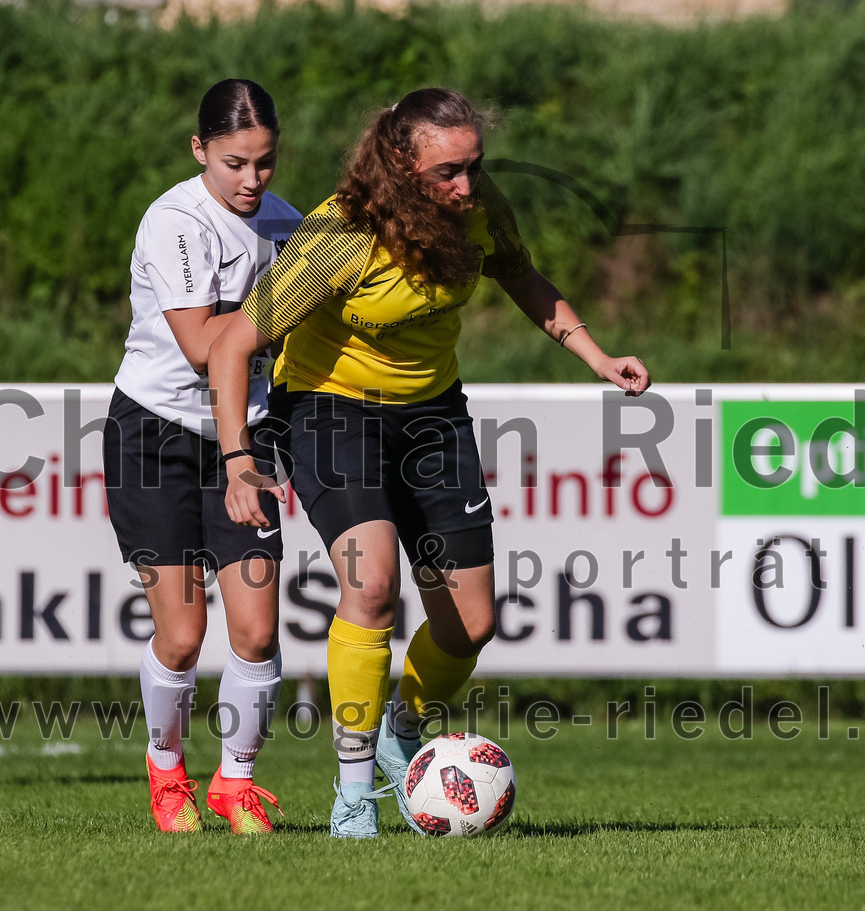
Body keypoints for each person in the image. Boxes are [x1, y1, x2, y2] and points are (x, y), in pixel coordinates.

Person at [208, 87, 650, 838]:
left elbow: (521, 276)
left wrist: (595, 354)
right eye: (448, 172)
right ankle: (352, 793)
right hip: (330, 411)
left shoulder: (479, 210)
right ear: (400, 165)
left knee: (472, 622)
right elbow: (233, 342)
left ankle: (400, 729)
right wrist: (236, 459)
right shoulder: (342, 234)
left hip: (433, 417)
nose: (466, 186)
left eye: (473, 167)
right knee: (372, 585)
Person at [102, 78, 301, 834]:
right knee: (182, 634)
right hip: (154, 436)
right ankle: (166, 771)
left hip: (244, 439)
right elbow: (200, 346)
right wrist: (287, 312)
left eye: (265, 163)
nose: (251, 181)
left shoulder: (289, 227)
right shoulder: (176, 220)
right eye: (234, 163)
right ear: (200, 151)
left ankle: (236, 782)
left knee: (254, 629)